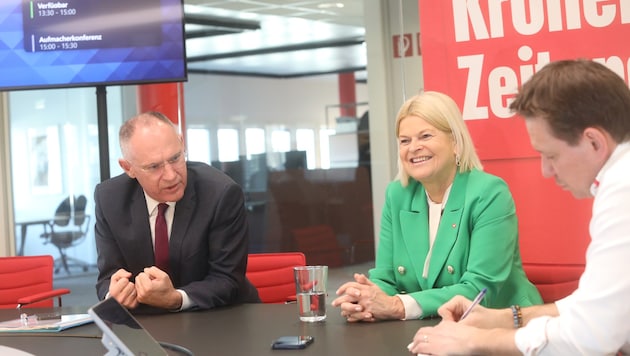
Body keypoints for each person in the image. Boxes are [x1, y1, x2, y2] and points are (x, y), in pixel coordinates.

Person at [409, 59, 630, 355]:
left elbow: (591, 333)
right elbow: (598, 304)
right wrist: (503, 318)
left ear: (593, 142)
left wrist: (474, 341)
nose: (546, 171)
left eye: (550, 155)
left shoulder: (622, 188)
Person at [331, 91, 541, 322]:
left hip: (502, 325)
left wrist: (398, 306)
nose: (414, 147)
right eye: (405, 141)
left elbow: (479, 289)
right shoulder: (397, 194)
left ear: (455, 143)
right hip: (432, 327)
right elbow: (386, 278)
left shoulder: (489, 192)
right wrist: (364, 299)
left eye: (425, 136)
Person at [94, 111, 260, 313]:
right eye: (154, 167)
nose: (171, 175)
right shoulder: (109, 198)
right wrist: (114, 295)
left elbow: (227, 279)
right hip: (147, 322)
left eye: (175, 158)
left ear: (182, 144)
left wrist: (176, 299)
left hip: (220, 317)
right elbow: (107, 276)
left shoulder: (220, 194)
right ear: (128, 168)